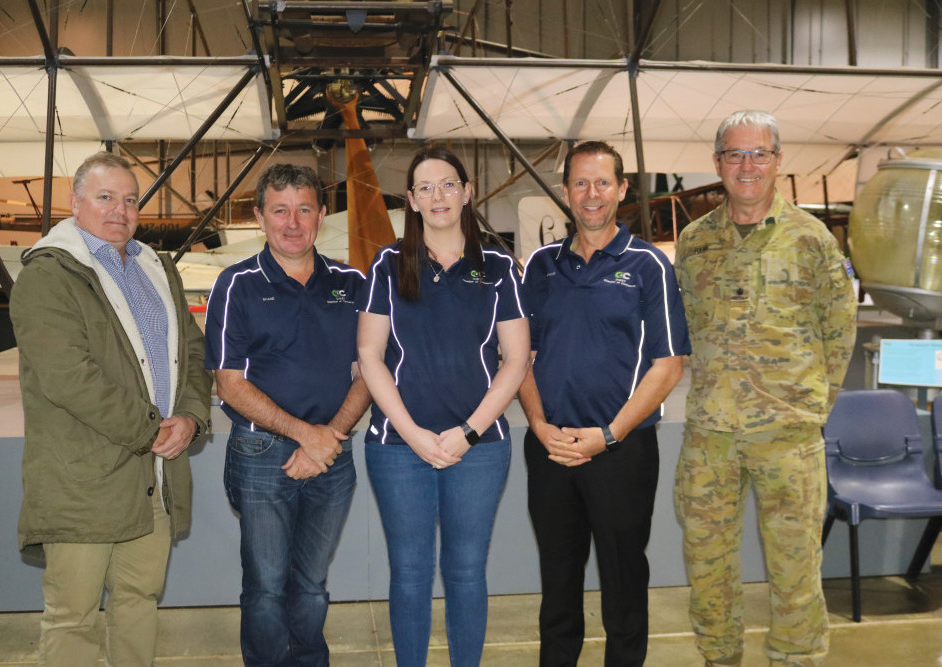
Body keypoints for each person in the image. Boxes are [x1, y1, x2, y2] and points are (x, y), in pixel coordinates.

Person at [10, 151, 213, 667]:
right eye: (105, 198)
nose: (120, 210)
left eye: (130, 200)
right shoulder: (48, 275)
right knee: (73, 618)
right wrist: (152, 431)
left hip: (155, 474)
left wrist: (190, 418)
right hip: (84, 479)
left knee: (138, 602)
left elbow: (191, 351)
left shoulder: (155, 268)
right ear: (75, 203)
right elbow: (68, 377)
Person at [674, 110, 857, 667]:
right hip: (711, 435)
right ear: (717, 164)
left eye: (759, 154)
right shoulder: (695, 242)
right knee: (707, 563)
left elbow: (839, 330)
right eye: (734, 154)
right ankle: (719, 657)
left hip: (788, 437)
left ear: (778, 162)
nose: (747, 166)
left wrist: (808, 409)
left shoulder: (812, 240)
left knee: (795, 566)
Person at [356, 146, 530, 666]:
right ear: (410, 200)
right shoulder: (388, 264)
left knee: (466, 572)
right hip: (397, 449)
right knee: (409, 573)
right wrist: (410, 433)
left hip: (478, 449)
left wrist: (469, 433)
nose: (439, 196)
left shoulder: (498, 267)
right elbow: (369, 354)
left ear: (467, 192)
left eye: (449, 184)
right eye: (426, 188)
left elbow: (516, 360)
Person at [519, 141, 690, 666]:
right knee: (558, 582)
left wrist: (609, 435)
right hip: (550, 449)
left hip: (621, 450)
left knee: (623, 581)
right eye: (580, 183)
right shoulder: (540, 267)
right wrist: (541, 425)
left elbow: (668, 366)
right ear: (566, 191)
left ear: (621, 189)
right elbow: (519, 359)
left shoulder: (648, 266)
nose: (591, 194)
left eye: (602, 183)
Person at [204, 164, 370, 667]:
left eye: (304, 209)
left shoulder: (351, 282)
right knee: (266, 588)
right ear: (259, 217)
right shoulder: (237, 285)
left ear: (323, 215)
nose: (292, 222)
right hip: (262, 456)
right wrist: (306, 436)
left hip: (333, 458)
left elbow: (368, 372)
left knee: (313, 585)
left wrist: (330, 438)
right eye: (280, 210)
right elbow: (229, 384)